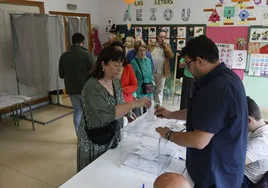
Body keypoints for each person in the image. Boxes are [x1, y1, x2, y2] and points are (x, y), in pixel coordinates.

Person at [155, 35, 248, 188]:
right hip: (220, 169)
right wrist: (170, 114)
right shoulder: (225, 78)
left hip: (216, 177)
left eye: (188, 64)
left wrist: (169, 134)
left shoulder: (218, 87)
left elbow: (199, 140)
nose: (188, 69)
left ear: (199, 60)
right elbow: (202, 113)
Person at [77, 46, 151, 172]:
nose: (119, 69)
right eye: (116, 64)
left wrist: (128, 113)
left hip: (113, 135)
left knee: (109, 170)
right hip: (95, 139)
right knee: (94, 173)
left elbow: (119, 102)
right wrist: (133, 104)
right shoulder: (92, 87)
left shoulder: (115, 82)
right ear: (103, 64)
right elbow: (105, 114)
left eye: (121, 65)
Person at [59, 33, 95, 136]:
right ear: (82, 42)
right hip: (86, 89)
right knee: (88, 112)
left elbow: (61, 75)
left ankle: (79, 136)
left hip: (71, 90)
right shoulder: (87, 55)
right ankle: (88, 136)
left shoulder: (64, 55)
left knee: (78, 112)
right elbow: (95, 73)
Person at [241, 97, 268, 188]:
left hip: (245, 179)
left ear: (249, 120)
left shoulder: (262, 141)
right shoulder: (259, 127)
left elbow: (234, 163)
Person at [148, 30, 174, 106]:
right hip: (150, 72)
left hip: (162, 72)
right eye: (161, 36)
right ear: (157, 37)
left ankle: (158, 106)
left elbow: (171, 56)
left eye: (164, 37)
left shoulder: (167, 46)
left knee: (159, 90)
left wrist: (165, 46)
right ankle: (149, 105)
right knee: (150, 90)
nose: (162, 38)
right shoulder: (151, 45)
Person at [130, 41, 154, 116]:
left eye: (144, 50)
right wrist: (134, 94)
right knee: (139, 116)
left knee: (149, 114)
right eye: (140, 50)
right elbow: (132, 79)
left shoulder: (148, 61)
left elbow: (150, 74)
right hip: (139, 92)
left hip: (149, 90)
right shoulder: (133, 63)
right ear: (136, 51)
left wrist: (153, 83)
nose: (142, 52)